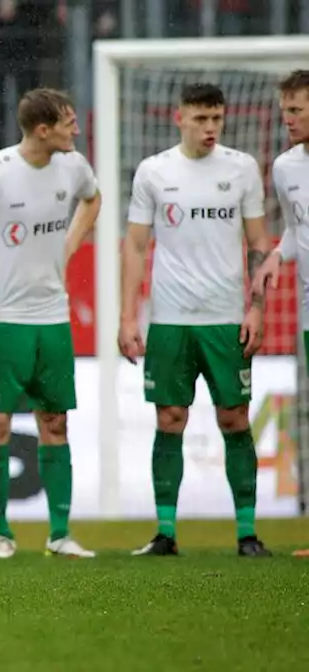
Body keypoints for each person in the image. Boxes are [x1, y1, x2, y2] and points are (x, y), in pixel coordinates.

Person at [120, 83, 272, 558]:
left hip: (226, 318)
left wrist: (257, 307)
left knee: (234, 418)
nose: (210, 128)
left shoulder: (242, 168)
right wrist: (128, 316)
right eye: (201, 119)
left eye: (217, 119)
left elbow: (258, 243)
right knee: (170, 418)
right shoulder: (154, 172)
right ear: (178, 117)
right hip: (170, 320)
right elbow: (137, 246)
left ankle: (247, 533)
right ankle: (165, 532)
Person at [0, 88, 101, 559]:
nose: (76, 129)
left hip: (52, 317)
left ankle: (60, 534)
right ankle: (0, 533)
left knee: (55, 422)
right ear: (42, 130)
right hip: (1, 318)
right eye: (68, 122)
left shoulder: (74, 167)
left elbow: (92, 201)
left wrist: (69, 246)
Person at [254, 71, 309, 559]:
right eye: (285, 109)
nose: (286, 119)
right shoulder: (286, 167)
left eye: (296, 110)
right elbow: (296, 231)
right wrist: (276, 255)